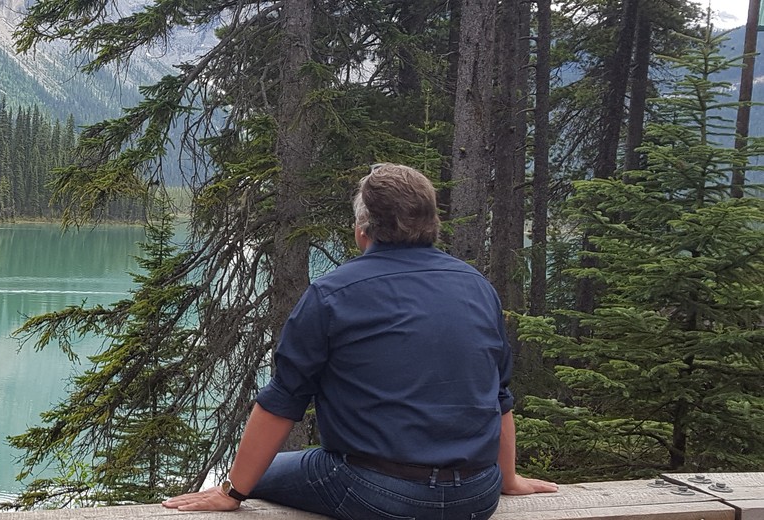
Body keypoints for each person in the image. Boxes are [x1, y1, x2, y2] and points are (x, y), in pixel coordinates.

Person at [163, 164, 557, 518]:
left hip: (378, 494)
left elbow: (283, 401)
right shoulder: (477, 287)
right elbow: (499, 396)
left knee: (263, 473)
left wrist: (233, 492)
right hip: (476, 496)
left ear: (363, 227)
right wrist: (507, 479)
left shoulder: (332, 293)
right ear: (432, 222)